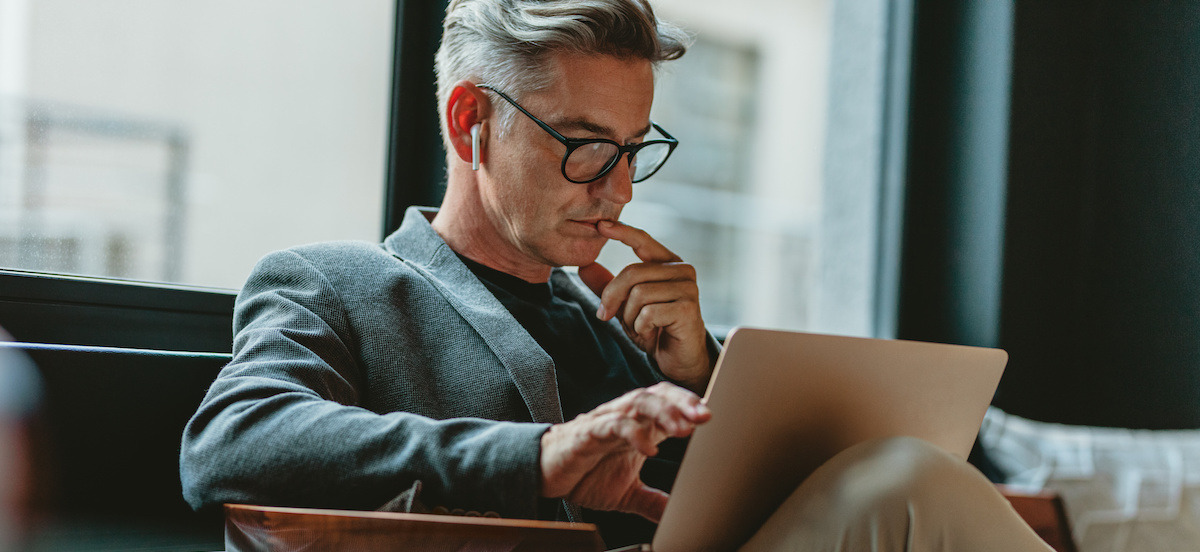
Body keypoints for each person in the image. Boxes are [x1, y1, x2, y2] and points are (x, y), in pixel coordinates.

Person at [181, 1, 1052, 550]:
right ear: (471, 120)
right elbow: (231, 441)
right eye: (587, 144)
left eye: (635, 149)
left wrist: (707, 376)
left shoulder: (631, 325)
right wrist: (541, 456)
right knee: (912, 485)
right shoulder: (336, 283)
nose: (622, 187)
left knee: (908, 478)